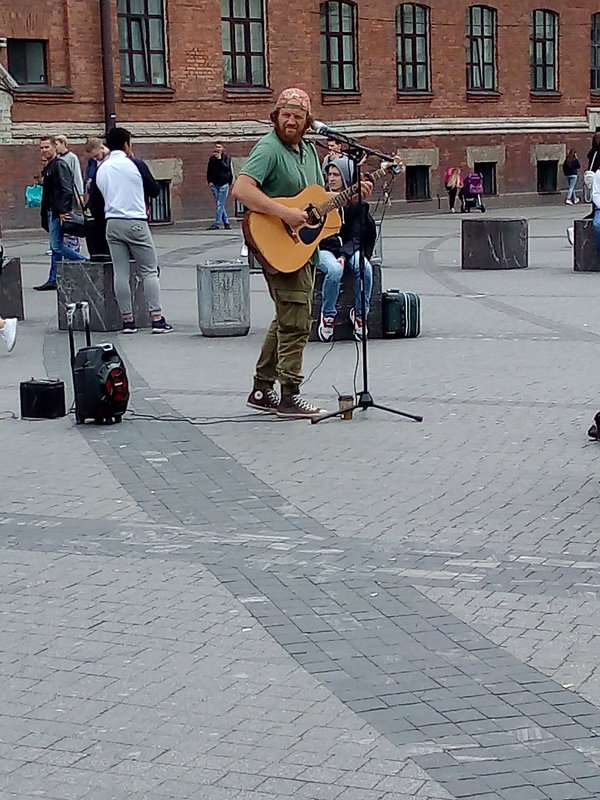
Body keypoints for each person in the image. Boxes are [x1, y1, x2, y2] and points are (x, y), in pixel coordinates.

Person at [232, 87, 372, 419]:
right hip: (276, 244)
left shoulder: (309, 150)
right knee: (296, 323)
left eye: (298, 116)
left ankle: (262, 388)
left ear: (308, 122)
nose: (291, 121)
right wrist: (284, 213)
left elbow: (316, 203)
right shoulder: (268, 149)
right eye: (286, 115)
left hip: (303, 248)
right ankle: (289, 395)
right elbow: (241, 189)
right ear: (275, 117)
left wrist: (350, 196)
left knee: (286, 317)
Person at [94, 127, 173, 334]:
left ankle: (127, 321)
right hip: (136, 221)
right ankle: (156, 318)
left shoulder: (101, 168)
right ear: (127, 145)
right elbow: (155, 190)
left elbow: (94, 202)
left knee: (121, 272)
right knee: (149, 270)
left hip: (112, 222)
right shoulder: (136, 164)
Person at [317, 157, 375, 343]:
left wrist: (344, 254)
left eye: (336, 175)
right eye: (329, 174)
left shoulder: (358, 206)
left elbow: (356, 236)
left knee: (364, 267)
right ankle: (328, 316)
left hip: (348, 249)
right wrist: (338, 255)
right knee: (334, 270)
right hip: (324, 248)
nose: (331, 178)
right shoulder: (320, 199)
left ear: (346, 178)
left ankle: (360, 315)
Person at [37, 136, 86, 291]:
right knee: (56, 248)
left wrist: (63, 210)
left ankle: (85, 261)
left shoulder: (60, 165)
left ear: (54, 147)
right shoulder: (50, 166)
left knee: (57, 246)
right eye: (41, 148)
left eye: (47, 147)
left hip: (58, 212)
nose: (44, 150)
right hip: (51, 211)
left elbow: (67, 189)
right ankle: (54, 279)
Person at [54, 134, 85, 253]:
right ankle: (65, 244)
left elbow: (76, 175)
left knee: (71, 219)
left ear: (63, 143)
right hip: (61, 195)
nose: (55, 148)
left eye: (56, 144)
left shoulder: (72, 157)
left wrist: (80, 194)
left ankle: (74, 245)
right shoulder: (57, 158)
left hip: (70, 193)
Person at [206, 142, 233, 230]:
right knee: (220, 204)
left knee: (220, 204)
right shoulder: (211, 159)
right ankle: (226, 223)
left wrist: (220, 159)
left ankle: (217, 223)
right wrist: (209, 181)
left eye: (219, 147)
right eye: (216, 147)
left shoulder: (226, 158)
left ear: (223, 148)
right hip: (215, 184)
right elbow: (209, 170)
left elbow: (227, 168)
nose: (218, 149)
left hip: (224, 184)